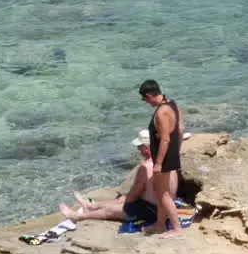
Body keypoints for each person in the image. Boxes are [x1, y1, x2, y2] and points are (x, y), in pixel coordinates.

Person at [58, 131, 175, 225]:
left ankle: (78, 217)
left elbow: (135, 193)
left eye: (139, 147)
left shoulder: (145, 167)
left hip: (154, 212)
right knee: (123, 199)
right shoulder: (168, 160)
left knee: (116, 208)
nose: (138, 150)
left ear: (146, 148)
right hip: (167, 206)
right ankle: (93, 206)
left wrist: (125, 206)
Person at [139, 79, 184, 236]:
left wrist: (158, 163)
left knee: (164, 195)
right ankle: (160, 226)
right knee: (160, 193)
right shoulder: (173, 104)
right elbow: (180, 129)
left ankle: (177, 228)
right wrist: (176, 151)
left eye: (145, 99)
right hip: (170, 154)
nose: (146, 102)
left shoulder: (160, 113)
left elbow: (165, 138)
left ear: (150, 95)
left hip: (163, 157)